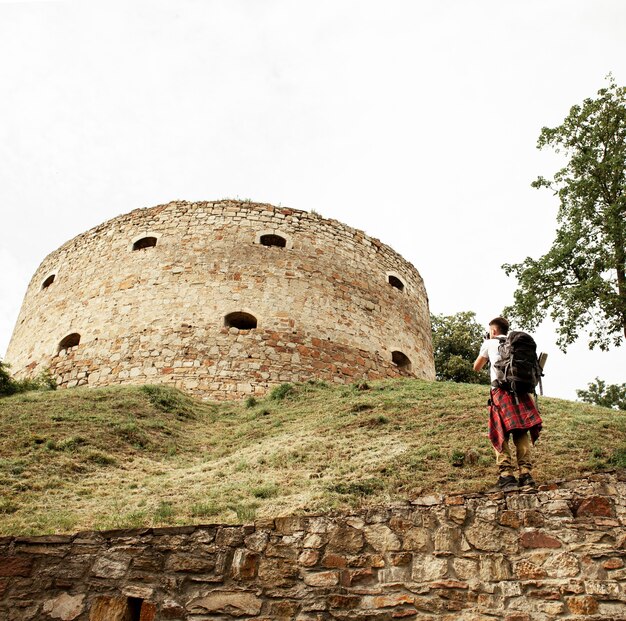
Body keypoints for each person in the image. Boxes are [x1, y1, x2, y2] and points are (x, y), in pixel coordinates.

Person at [473, 317, 542, 489]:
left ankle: (506, 475)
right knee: (521, 432)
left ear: (493, 331)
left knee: (500, 431)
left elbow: (476, 367)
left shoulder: (489, 343)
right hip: (520, 390)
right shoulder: (514, 343)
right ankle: (526, 475)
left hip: (500, 391)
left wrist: (487, 344)